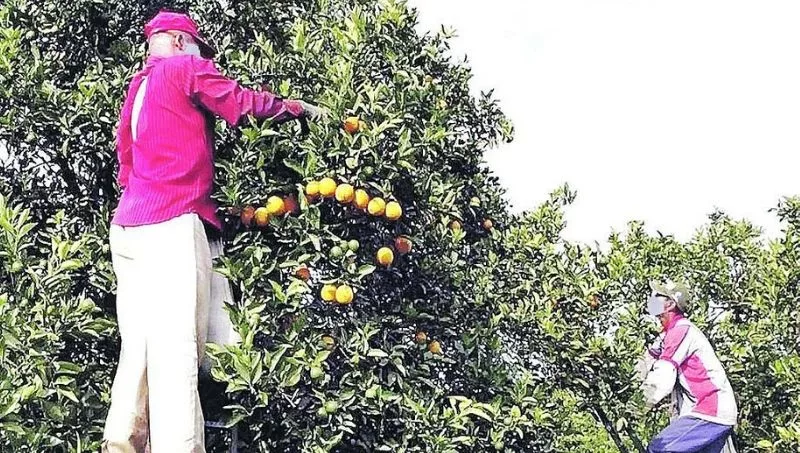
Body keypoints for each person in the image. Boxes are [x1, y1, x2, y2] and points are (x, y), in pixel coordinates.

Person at [102, 10, 327, 453]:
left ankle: (122, 439)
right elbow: (239, 104)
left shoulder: (137, 90)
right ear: (181, 42)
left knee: (141, 343)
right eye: (200, 50)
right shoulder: (185, 68)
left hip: (128, 229)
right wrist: (295, 108)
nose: (206, 60)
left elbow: (125, 163)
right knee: (177, 349)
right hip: (171, 222)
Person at [638, 281, 738, 453]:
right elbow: (645, 362)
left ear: (670, 304)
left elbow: (662, 378)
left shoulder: (681, 331)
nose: (652, 301)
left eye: (657, 296)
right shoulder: (667, 335)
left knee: (659, 448)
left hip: (709, 411)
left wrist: (635, 408)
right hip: (712, 414)